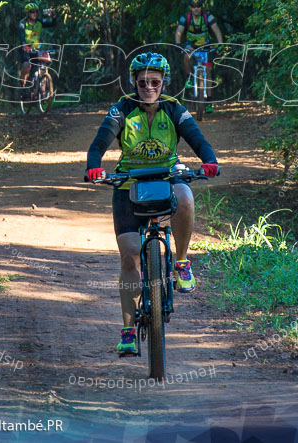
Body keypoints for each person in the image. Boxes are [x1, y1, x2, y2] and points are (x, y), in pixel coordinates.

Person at [85, 52, 220, 356]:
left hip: (167, 175)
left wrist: (209, 161)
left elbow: (198, 139)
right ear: (134, 82)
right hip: (129, 183)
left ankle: (181, 262)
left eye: (154, 81)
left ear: (163, 83)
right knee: (130, 257)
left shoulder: (174, 109)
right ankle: (128, 330)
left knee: (185, 196)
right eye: (142, 81)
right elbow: (100, 142)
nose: (148, 86)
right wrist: (94, 165)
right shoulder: (121, 110)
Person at [174, 0, 224, 111]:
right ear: (190, 7)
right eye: (193, 6)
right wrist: (177, 44)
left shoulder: (208, 17)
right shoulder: (185, 18)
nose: (196, 8)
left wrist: (220, 44)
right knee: (186, 55)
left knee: (208, 72)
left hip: (206, 45)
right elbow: (179, 31)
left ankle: (209, 102)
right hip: (190, 45)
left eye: (198, 6)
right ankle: (189, 77)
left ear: (202, 7)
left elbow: (216, 30)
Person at [17, 1, 56, 89]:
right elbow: (22, 36)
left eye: (36, 12)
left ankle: (42, 90)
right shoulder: (22, 24)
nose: (35, 14)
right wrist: (24, 45)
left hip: (37, 48)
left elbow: (53, 24)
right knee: (27, 66)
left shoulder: (39, 22)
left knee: (43, 65)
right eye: (32, 11)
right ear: (27, 13)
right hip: (26, 49)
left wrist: (53, 16)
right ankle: (22, 84)